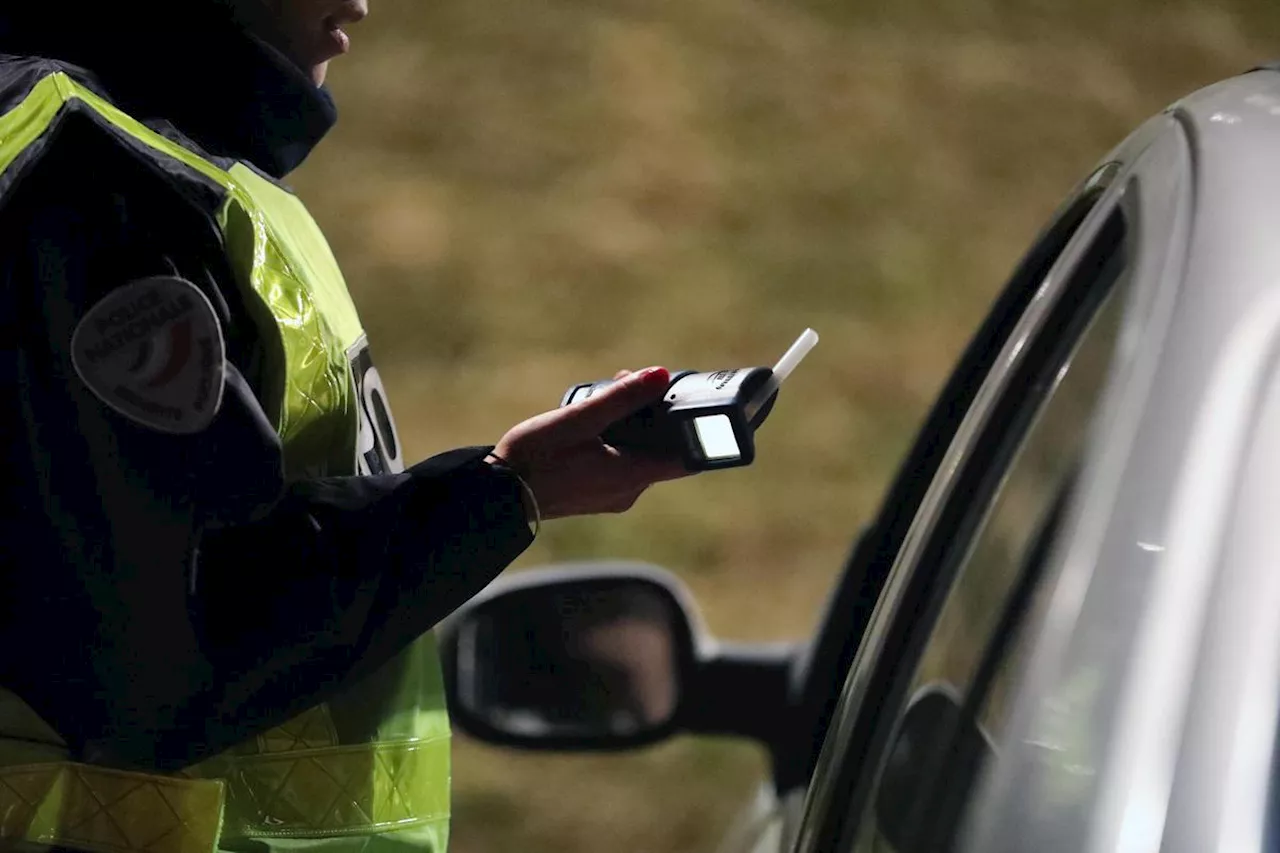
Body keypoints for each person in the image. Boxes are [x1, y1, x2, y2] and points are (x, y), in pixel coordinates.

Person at [0, 2, 688, 852]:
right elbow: (181, 636)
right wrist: (497, 496)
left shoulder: (193, 170)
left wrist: (515, 485)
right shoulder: (94, 184)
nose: (361, 2)